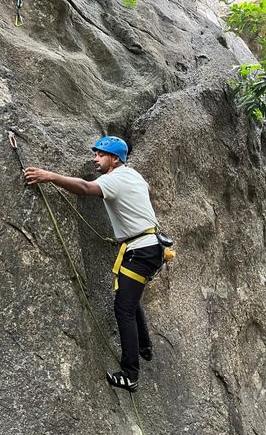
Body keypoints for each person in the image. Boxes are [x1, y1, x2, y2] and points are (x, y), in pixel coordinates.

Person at [24, 136, 163, 392]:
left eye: (100, 155)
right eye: (96, 154)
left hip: (140, 250)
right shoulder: (133, 175)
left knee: (123, 309)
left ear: (115, 159)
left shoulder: (116, 178)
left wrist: (50, 176)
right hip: (148, 246)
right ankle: (144, 346)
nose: (95, 158)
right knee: (129, 299)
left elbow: (86, 189)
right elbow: (145, 186)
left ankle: (130, 374)